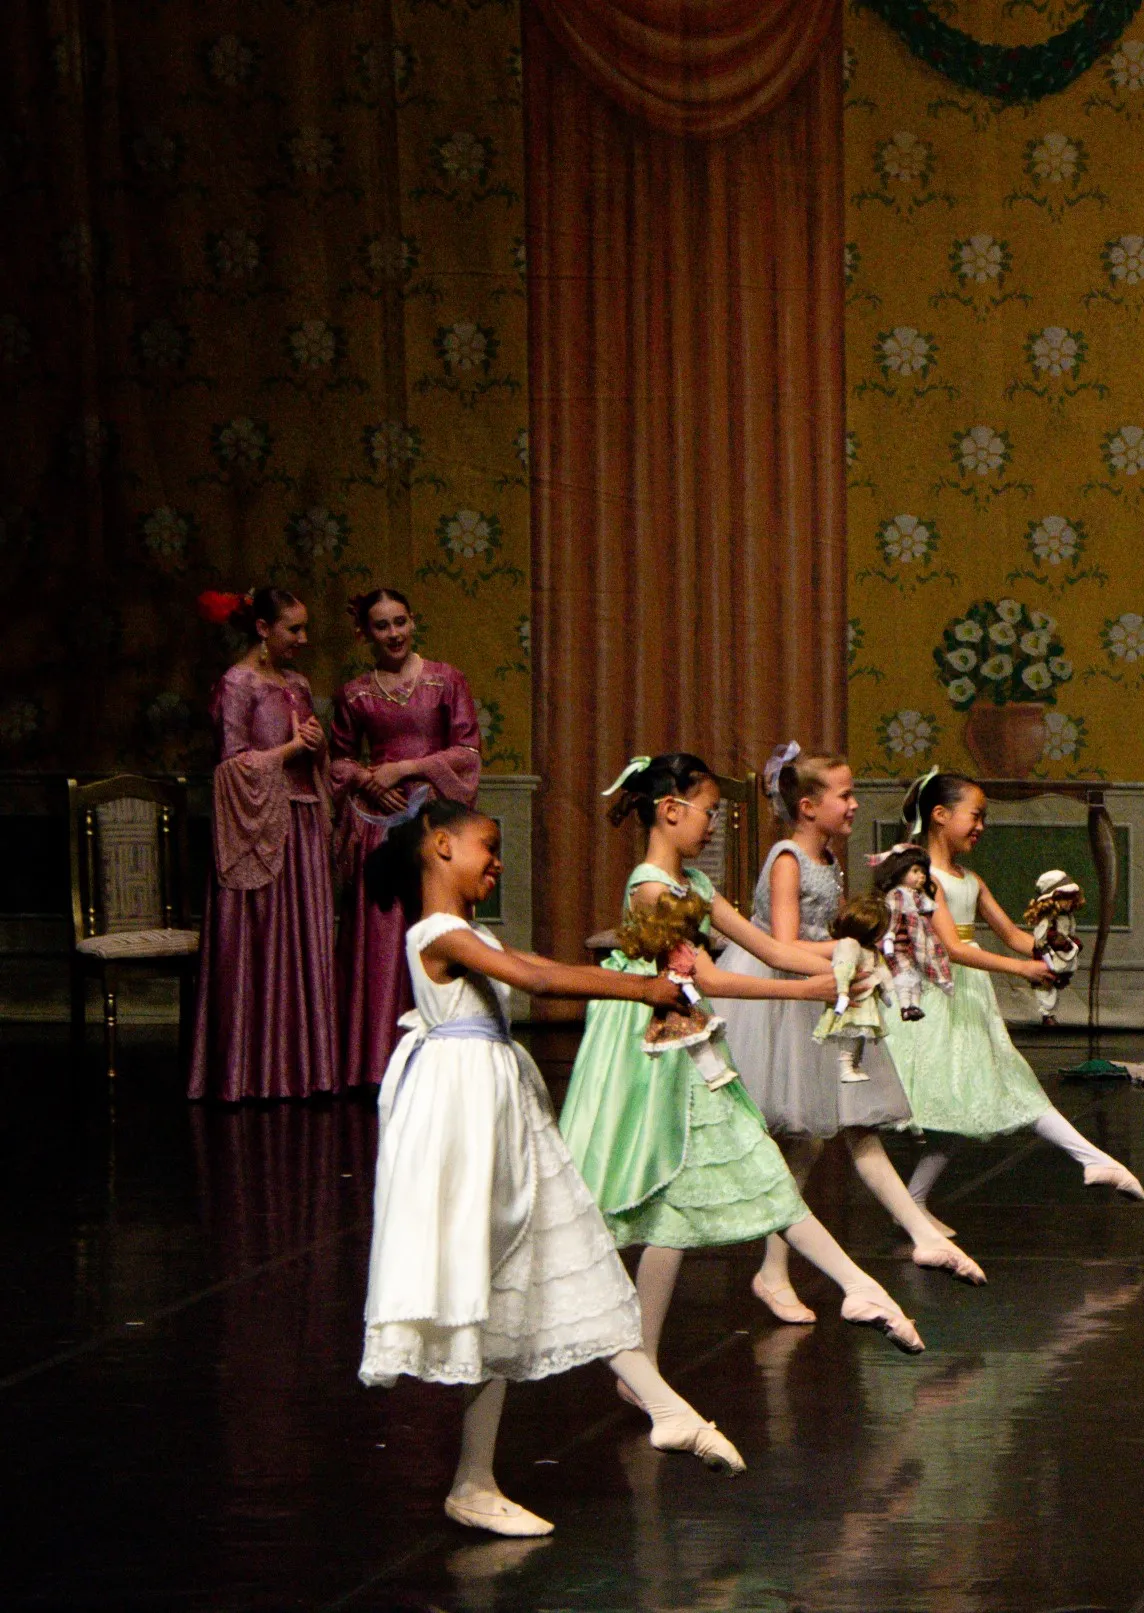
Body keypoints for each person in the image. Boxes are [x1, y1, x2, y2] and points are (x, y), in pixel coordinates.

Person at [358, 797, 744, 1538]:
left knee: (526, 1268)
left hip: (496, 1103)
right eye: (487, 844)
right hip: (465, 1113)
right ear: (440, 845)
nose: (498, 859)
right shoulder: (438, 931)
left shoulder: (469, 930)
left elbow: (530, 966)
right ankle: (649, 1416)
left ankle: (484, 1475)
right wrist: (642, 987)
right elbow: (534, 982)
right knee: (498, 1271)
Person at [557, 753, 927, 1372]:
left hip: (690, 1045)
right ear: (671, 811)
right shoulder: (651, 887)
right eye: (707, 812)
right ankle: (854, 1284)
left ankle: (852, 1287)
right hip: (654, 1050)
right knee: (707, 1184)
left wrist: (853, 964)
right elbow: (704, 975)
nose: (713, 826)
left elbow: (769, 947)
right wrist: (807, 990)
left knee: (702, 1195)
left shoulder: (696, 886)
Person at [712, 744, 986, 1328]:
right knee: (814, 1138)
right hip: (787, 998)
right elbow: (783, 946)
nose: (855, 804)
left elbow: (835, 927)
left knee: (837, 1133)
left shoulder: (829, 857)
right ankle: (786, 1265)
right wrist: (844, 955)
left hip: (828, 991)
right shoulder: (787, 858)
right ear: (808, 806)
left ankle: (802, 1261)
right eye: (846, 795)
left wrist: (866, 947)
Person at [884, 771, 1144, 1214]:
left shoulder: (970, 878)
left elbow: (1010, 934)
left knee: (973, 1099)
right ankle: (1093, 1159)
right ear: (940, 815)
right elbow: (950, 948)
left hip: (965, 998)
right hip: (933, 995)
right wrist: (1021, 968)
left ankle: (913, 1204)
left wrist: (1051, 952)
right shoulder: (921, 878)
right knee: (978, 1093)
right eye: (976, 816)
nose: (982, 826)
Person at [189, 586, 341, 1101]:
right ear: (262, 629)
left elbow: (306, 758)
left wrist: (315, 752)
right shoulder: (237, 684)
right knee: (258, 948)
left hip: (301, 826)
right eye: (293, 629)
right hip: (257, 831)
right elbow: (231, 766)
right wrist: (293, 748)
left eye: (304, 628)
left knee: (306, 947)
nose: (304, 638)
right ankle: (250, 1074)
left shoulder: (298, 683)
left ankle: (304, 1071)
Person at [328, 588, 483, 1088]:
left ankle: (445, 1055)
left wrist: (407, 768)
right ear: (365, 634)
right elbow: (338, 761)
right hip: (379, 822)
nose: (393, 633)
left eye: (400, 622)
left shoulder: (446, 680)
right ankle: (378, 1062)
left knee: (438, 927)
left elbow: (468, 753)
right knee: (380, 937)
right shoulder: (354, 693)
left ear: (413, 622)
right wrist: (372, 781)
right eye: (381, 626)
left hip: (436, 823)